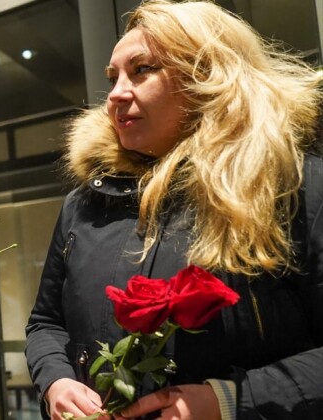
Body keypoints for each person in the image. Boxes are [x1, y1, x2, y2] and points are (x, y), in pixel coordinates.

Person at [25, 1, 323, 419]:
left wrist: (230, 401)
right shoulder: (86, 202)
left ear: (210, 76)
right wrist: (56, 381)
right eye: (113, 78)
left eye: (142, 69)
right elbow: (46, 323)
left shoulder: (294, 184)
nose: (115, 94)